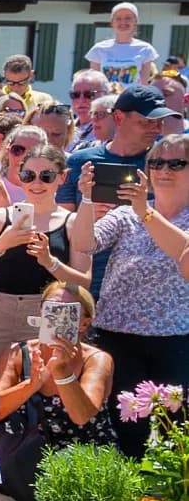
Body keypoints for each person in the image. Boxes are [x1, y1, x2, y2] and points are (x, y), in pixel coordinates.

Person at [68, 133, 189, 457]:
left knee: (170, 426)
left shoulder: (144, 211)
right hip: (116, 335)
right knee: (124, 428)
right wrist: (88, 201)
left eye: (177, 163)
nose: (165, 170)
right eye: (158, 163)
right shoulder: (126, 213)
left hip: (173, 338)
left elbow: (185, 257)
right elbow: (84, 243)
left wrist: (145, 213)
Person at [0, 283, 115, 501]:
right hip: (25, 457)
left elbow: (82, 415)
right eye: (51, 309)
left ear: (84, 323)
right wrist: (32, 384)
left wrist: (62, 372)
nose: (57, 316)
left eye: (67, 311)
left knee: (72, 467)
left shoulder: (97, 359)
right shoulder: (18, 352)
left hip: (79, 455)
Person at [0, 144, 74, 369]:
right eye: (28, 175)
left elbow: (83, 282)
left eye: (46, 176)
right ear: (19, 176)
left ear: (62, 178)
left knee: (50, 391)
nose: (37, 184)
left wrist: (50, 262)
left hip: (55, 310)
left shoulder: (72, 222)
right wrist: (0, 245)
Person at [57, 84, 178, 210]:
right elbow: (63, 219)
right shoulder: (79, 162)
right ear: (119, 118)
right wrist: (88, 212)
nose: (156, 129)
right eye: (148, 122)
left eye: (160, 121)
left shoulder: (168, 165)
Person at [87, 3, 159, 86]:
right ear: (112, 23)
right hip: (106, 98)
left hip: (133, 98)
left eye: (128, 18)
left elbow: (144, 84)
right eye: (118, 18)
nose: (123, 22)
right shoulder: (98, 49)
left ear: (135, 22)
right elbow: (93, 83)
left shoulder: (146, 49)